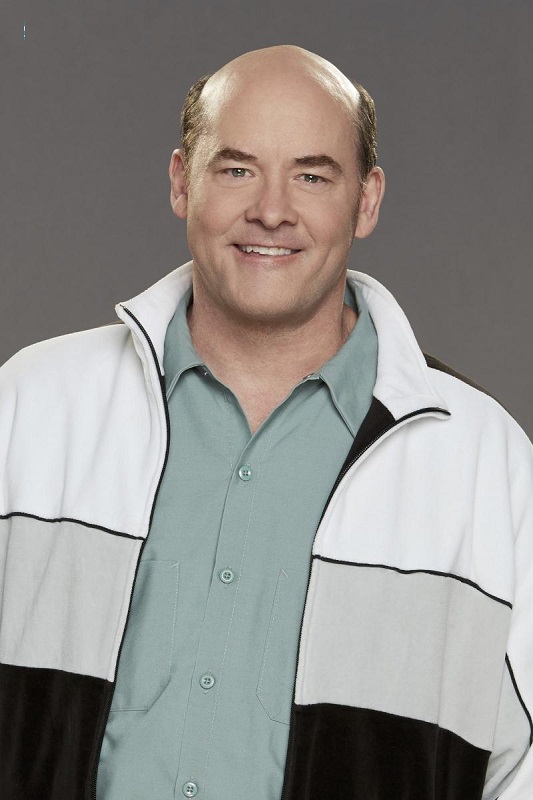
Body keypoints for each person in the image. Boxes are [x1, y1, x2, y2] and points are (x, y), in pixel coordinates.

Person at [0, 43, 531, 800]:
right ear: (182, 181)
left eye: (312, 176)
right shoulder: (29, 406)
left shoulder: (488, 465)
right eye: (237, 170)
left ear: (367, 200)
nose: (272, 210)